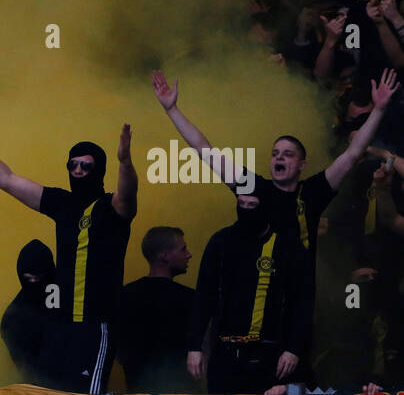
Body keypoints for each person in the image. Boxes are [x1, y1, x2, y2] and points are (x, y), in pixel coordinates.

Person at [0, 102, 136, 394]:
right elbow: (6, 179)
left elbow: (128, 194)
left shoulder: (111, 207)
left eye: (86, 165)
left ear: (99, 169)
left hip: (96, 325)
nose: (79, 170)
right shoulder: (62, 203)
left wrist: (125, 162)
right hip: (61, 325)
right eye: (73, 164)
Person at [151, 69, 399, 262]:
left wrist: (379, 109)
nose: (279, 158)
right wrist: (172, 110)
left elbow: (354, 152)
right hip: (256, 292)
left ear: (302, 164)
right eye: (275, 153)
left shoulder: (313, 191)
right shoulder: (254, 186)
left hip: (296, 300)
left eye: (288, 154)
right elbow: (204, 150)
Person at [187, 192, 313, 395]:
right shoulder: (221, 241)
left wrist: (294, 349)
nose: (245, 209)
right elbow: (203, 297)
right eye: (241, 203)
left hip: (270, 354)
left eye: (252, 204)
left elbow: (303, 303)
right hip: (225, 354)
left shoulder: (288, 246)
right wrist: (194, 347)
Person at [117, 227, 195, 394]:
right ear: (164, 255)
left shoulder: (126, 294)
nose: (189, 254)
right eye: (183, 249)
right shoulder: (189, 298)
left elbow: (119, 350)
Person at [1, 239, 60, 386]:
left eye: (39, 277)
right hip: (44, 389)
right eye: (28, 278)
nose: (34, 282)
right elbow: (29, 372)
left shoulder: (69, 294)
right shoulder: (12, 320)